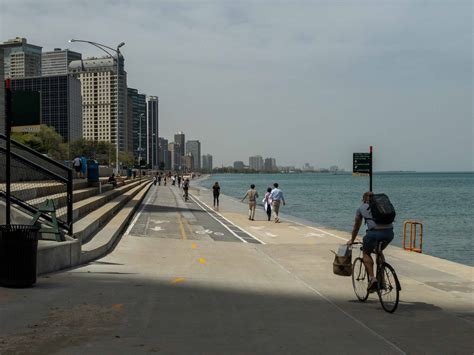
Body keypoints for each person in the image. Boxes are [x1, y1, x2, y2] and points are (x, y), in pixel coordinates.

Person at [346, 192, 394, 292]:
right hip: (389, 233)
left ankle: (373, 279)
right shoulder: (382, 206)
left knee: (366, 253)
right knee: (379, 251)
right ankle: (382, 279)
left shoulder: (361, 208)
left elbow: (356, 227)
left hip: (374, 234)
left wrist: (352, 240)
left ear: (364, 200)